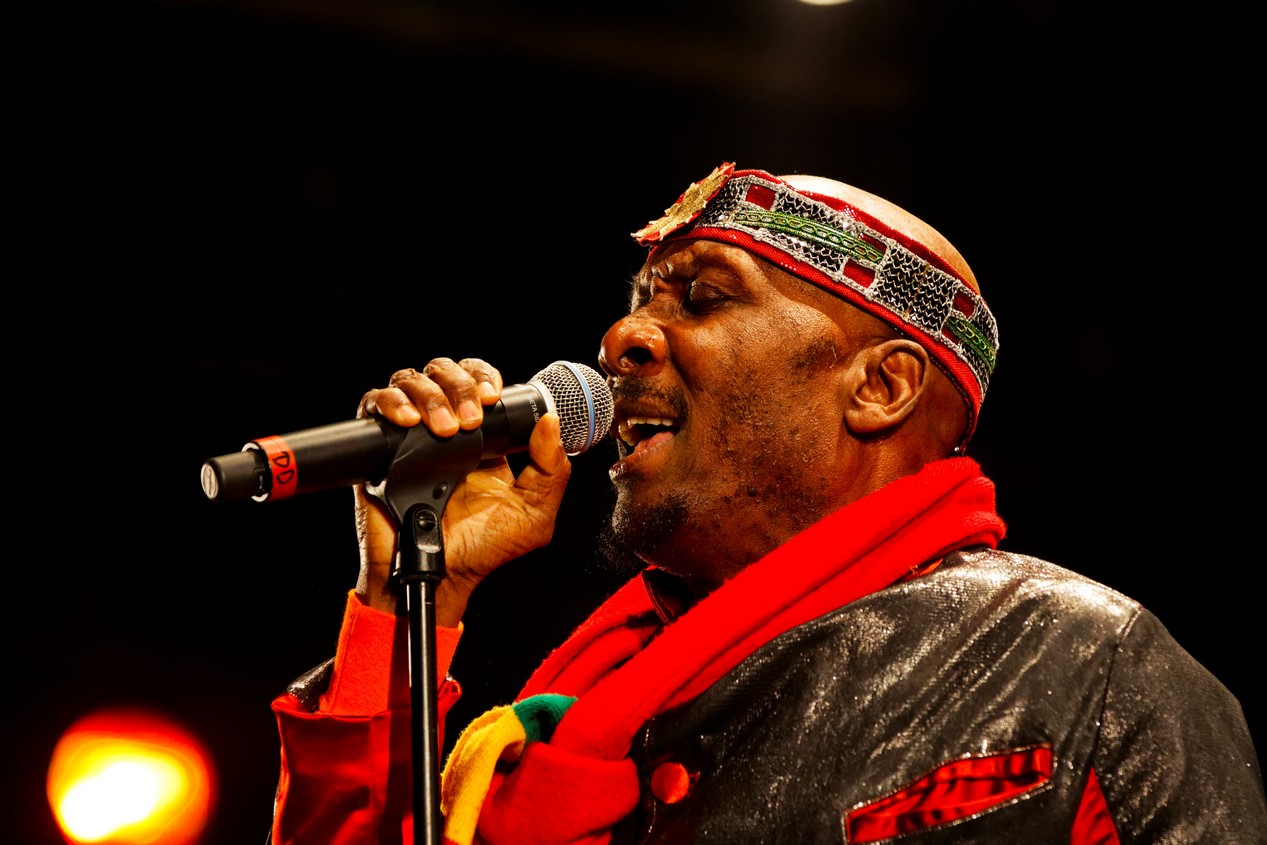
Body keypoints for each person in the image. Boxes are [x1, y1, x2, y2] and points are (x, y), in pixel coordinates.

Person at [266, 163, 1266, 844]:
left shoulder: (1081, 664)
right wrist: (407, 598)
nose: (622, 340)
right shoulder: (595, 702)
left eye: (700, 297)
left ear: (879, 387)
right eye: (638, 301)